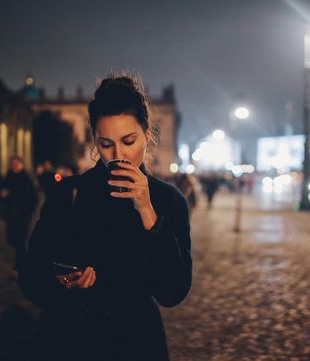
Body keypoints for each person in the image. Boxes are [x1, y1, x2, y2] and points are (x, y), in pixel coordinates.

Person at [20, 74, 192, 361]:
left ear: (147, 134)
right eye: (106, 143)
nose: (118, 155)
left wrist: (147, 211)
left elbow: (173, 291)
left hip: (137, 344)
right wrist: (63, 281)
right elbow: (30, 277)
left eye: (128, 141)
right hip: (71, 341)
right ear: (94, 141)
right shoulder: (69, 194)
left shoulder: (168, 201)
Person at [0, 155, 39, 273]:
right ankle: (23, 264)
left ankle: (19, 267)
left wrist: (29, 211)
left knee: (20, 241)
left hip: (23, 215)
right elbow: (3, 193)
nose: (15, 167)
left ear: (22, 165)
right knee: (12, 240)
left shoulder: (26, 178)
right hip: (11, 215)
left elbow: (34, 197)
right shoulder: (8, 176)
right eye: (13, 165)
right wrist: (2, 196)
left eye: (17, 164)